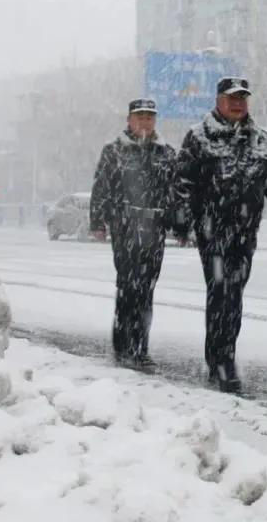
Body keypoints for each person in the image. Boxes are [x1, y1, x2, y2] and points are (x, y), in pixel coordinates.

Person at [174, 76, 267, 393]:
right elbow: (183, 183)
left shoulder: (262, 140)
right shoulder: (199, 138)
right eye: (231, 97)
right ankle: (221, 360)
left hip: (245, 232)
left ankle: (224, 353)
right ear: (218, 100)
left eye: (242, 97)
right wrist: (182, 224)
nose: (238, 103)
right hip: (211, 232)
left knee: (234, 294)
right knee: (220, 292)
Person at [89, 97, 177, 373]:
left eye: (150, 117)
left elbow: (174, 192)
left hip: (155, 227)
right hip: (125, 226)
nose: (145, 121)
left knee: (147, 289)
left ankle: (140, 348)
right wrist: (98, 221)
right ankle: (123, 344)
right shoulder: (114, 151)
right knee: (128, 287)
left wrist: (180, 223)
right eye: (140, 116)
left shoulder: (166, 153)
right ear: (129, 120)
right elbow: (101, 186)